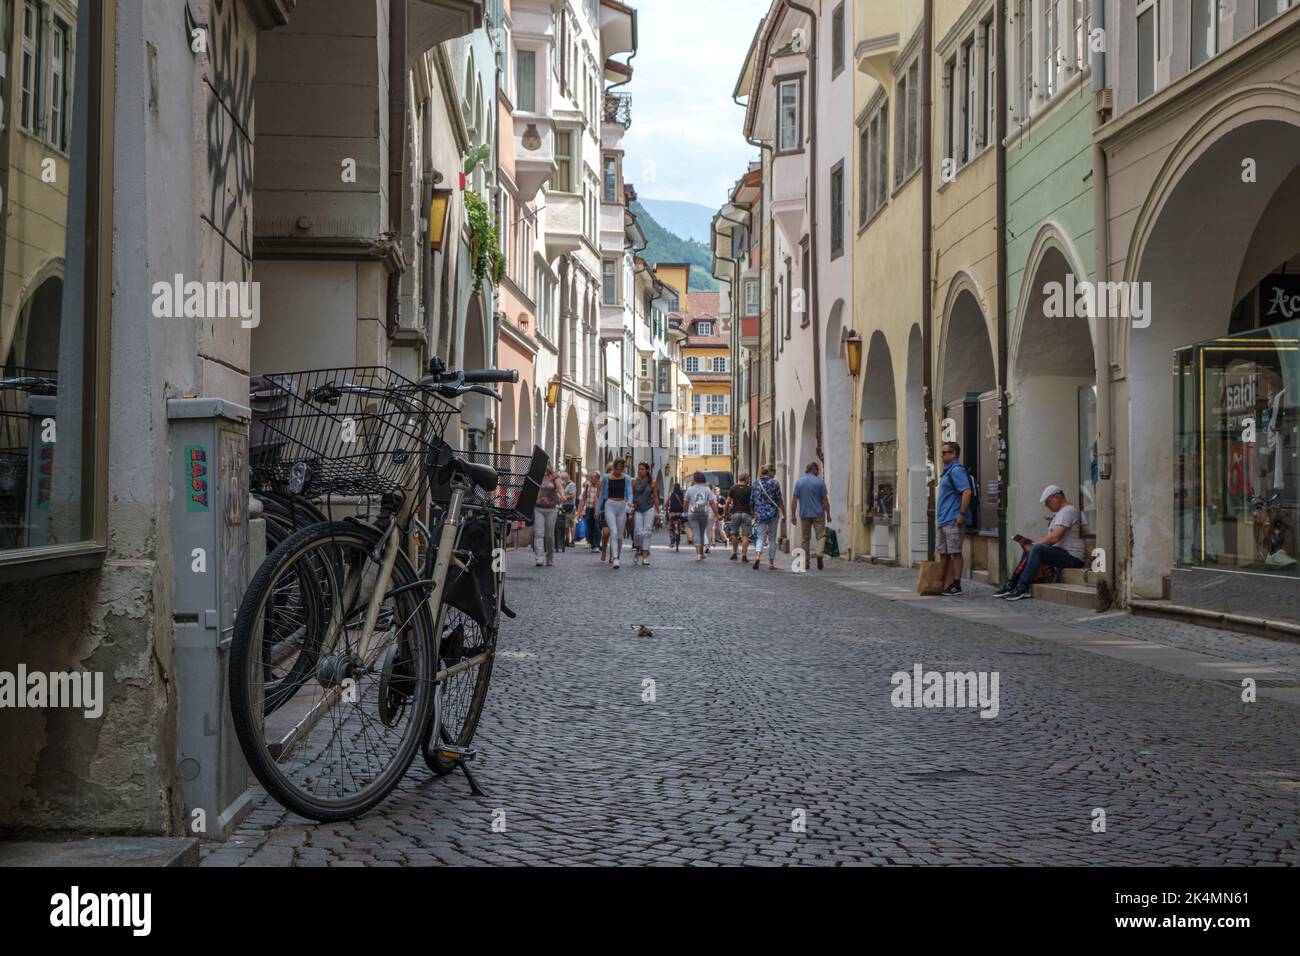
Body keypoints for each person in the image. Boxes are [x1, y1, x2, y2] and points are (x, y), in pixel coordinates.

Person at [999, 484, 1087, 601]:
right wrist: (1031, 545)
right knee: (1030, 550)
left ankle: (1022, 588)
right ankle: (1011, 584)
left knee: (1035, 549)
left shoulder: (1068, 511)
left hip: (1073, 557)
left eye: (1047, 502)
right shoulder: (1061, 513)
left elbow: (1055, 538)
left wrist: (1034, 545)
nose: (1046, 505)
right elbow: (1052, 540)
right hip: (1064, 553)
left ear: (1056, 497)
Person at [936, 442, 974, 595]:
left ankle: (956, 585)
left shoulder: (957, 471)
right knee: (943, 553)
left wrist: (962, 514)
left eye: (945, 453)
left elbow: (967, 492)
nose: (942, 455)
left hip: (953, 518)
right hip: (943, 518)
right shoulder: (946, 472)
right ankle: (944, 583)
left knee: (955, 552)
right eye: (942, 452)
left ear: (954, 454)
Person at [791, 462, 831, 571]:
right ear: (813, 469)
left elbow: (794, 500)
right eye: (817, 469)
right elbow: (825, 500)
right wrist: (829, 514)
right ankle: (819, 553)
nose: (818, 472)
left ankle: (806, 563)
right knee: (821, 536)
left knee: (805, 539)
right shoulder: (820, 483)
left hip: (804, 514)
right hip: (818, 514)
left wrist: (793, 515)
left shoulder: (799, 482)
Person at [598, 458, 633, 569]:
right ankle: (615, 558)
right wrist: (598, 509)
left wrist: (628, 505)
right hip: (610, 504)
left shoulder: (627, 478)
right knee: (613, 531)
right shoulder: (606, 478)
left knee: (619, 535)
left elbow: (629, 493)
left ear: (623, 469)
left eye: (620, 469)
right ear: (613, 468)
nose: (618, 472)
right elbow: (602, 494)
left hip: (621, 505)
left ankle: (618, 555)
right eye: (616, 469)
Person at [751, 465, 785, 570]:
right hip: (773, 513)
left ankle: (757, 556)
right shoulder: (774, 482)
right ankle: (771, 563)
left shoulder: (755, 483)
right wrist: (784, 513)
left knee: (760, 537)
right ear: (769, 472)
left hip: (760, 514)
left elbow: (752, 500)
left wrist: (754, 512)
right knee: (772, 538)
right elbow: (779, 500)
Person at [533, 465, 566, 567]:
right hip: (538, 508)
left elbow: (560, 487)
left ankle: (550, 556)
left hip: (551, 508)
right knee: (538, 533)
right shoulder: (536, 475)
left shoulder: (554, 476)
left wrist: (562, 495)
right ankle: (539, 557)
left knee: (549, 536)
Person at [683, 472, 720, 561]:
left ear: (694, 479)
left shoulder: (690, 489)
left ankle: (698, 554)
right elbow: (712, 503)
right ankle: (702, 553)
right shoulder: (707, 489)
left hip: (692, 514)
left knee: (696, 532)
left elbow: (686, 503)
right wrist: (716, 514)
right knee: (702, 533)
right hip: (704, 514)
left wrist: (685, 512)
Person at [631, 462, 661, 566]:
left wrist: (657, 512)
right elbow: (632, 496)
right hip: (638, 509)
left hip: (649, 509)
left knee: (647, 531)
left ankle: (645, 556)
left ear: (647, 470)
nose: (640, 471)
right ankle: (637, 548)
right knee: (638, 532)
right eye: (639, 469)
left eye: (642, 469)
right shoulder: (634, 481)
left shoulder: (652, 482)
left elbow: (656, 498)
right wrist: (631, 507)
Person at [726, 473, 754, 562]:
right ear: (745, 479)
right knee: (745, 535)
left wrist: (725, 513)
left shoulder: (733, 488)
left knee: (734, 533)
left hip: (735, 513)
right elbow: (753, 502)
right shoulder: (750, 489)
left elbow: (727, 502)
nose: (749, 480)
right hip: (746, 514)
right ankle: (744, 555)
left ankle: (734, 553)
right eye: (748, 479)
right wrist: (754, 512)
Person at [579, 470, 601, 553]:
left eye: (592, 478)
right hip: (589, 509)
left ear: (597, 478)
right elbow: (583, 498)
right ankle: (592, 544)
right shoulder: (588, 485)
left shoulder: (600, 486)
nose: (591, 479)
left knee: (597, 527)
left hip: (597, 509)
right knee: (589, 528)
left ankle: (596, 546)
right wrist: (580, 511)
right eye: (590, 477)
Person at [667, 482, 686, 551]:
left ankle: (672, 540)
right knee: (681, 521)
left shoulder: (671, 494)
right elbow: (684, 503)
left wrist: (666, 509)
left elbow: (667, 503)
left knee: (671, 527)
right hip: (680, 512)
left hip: (672, 512)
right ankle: (682, 528)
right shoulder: (682, 494)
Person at [562, 472, 578, 545]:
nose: (561, 480)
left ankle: (572, 540)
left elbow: (573, 495)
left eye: (562, 478)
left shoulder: (572, 484)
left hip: (570, 506)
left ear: (566, 478)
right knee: (566, 524)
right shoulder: (564, 485)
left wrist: (564, 497)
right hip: (565, 506)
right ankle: (567, 540)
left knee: (570, 524)